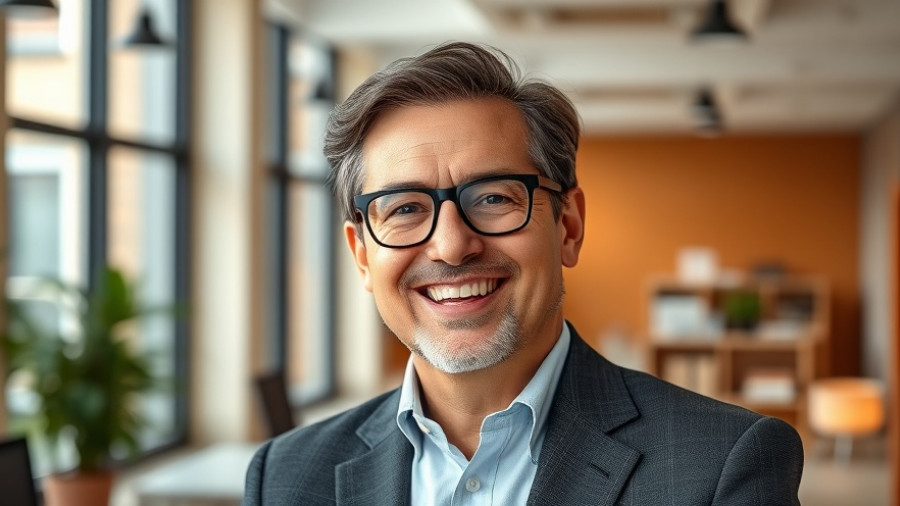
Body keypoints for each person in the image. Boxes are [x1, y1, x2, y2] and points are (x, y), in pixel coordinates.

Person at [243, 41, 803, 506]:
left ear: (568, 226)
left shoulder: (726, 465)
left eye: (492, 197)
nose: (452, 245)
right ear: (363, 254)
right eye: (405, 208)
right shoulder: (286, 477)